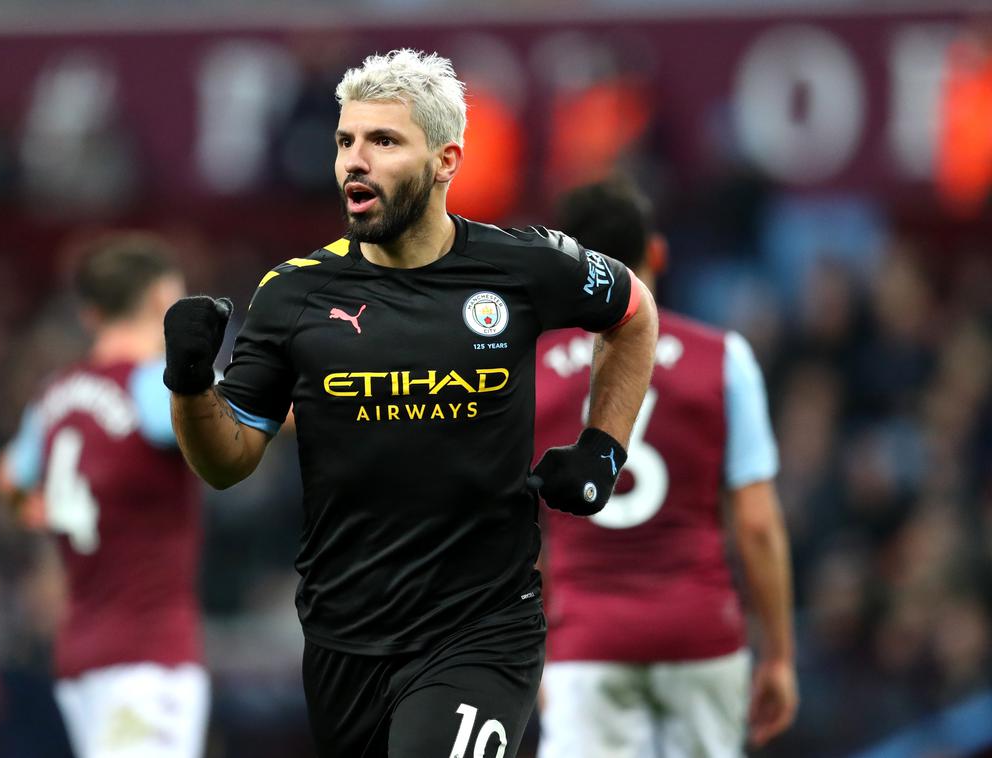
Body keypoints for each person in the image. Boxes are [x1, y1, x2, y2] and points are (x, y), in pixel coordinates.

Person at [161, 49, 658, 758]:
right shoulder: (294, 296)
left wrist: (604, 448)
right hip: (343, 640)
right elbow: (227, 460)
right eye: (345, 142)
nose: (354, 162)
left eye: (383, 142)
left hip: (481, 630)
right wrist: (189, 384)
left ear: (445, 160)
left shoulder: (521, 267)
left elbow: (634, 314)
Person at [534, 177, 798, 757]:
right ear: (656, 253)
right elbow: (756, 527)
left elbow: (514, 534)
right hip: (702, 636)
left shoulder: (534, 374)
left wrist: (534, 653)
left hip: (586, 643)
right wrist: (778, 654)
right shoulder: (724, 361)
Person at [0, 234, 210, 758]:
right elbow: (253, 412)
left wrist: (37, 513)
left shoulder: (53, 397)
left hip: (80, 654)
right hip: (147, 655)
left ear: (90, 314)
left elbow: (6, 476)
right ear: (164, 299)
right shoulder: (157, 388)